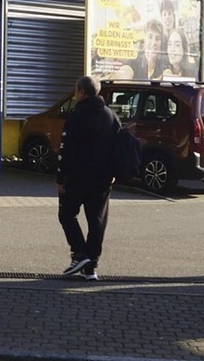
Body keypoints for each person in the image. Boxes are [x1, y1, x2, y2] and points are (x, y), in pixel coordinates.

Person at [56, 75, 120, 281]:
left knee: (66, 214)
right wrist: (114, 174)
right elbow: (118, 149)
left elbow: (65, 149)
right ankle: (90, 267)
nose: (75, 95)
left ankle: (79, 254)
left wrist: (60, 178)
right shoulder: (111, 115)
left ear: (82, 92)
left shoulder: (76, 115)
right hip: (102, 180)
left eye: (76, 91)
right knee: (97, 221)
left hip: (77, 177)